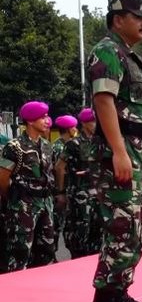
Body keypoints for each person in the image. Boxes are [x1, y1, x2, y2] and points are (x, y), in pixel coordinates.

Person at [84, 0, 142, 302]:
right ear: (117, 19)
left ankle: (119, 292)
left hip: (136, 150)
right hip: (122, 150)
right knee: (121, 225)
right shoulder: (107, 51)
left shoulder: (128, 55)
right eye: (136, 16)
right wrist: (119, 151)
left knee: (137, 226)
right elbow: (103, 102)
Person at [0, 101, 55, 273]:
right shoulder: (14, 146)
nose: (47, 120)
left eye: (47, 116)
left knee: (47, 248)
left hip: (45, 202)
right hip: (23, 203)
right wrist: (12, 199)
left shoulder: (47, 145)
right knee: (20, 250)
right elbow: (2, 178)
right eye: (43, 117)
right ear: (30, 121)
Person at [54, 109, 103, 259]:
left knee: (98, 231)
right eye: (92, 121)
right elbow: (59, 167)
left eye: (96, 121)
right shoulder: (74, 144)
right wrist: (61, 192)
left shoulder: (99, 142)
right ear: (83, 123)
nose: (94, 125)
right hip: (79, 193)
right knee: (80, 231)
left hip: (98, 193)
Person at [52, 115, 79, 260]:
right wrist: (60, 191)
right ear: (69, 129)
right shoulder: (60, 147)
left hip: (69, 191)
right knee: (58, 225)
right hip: (61, 192)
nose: (76, 129)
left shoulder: (64, 144)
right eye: (74, 127)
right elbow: (58, 170)